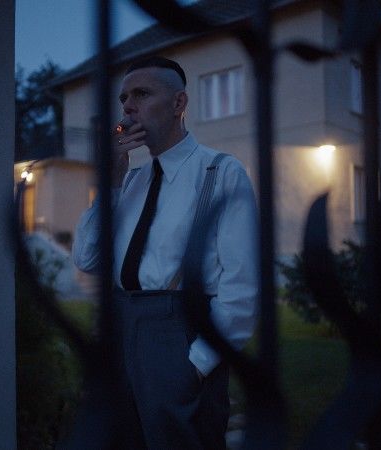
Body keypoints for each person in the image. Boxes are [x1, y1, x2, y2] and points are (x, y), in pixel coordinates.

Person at [72, 56, 259, 449]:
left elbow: (242, 285)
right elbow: (87, 258)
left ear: (178, 103)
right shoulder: (131, 181)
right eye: (124, 98)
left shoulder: (220, 172)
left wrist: (196, 365)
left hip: (180, 334)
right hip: (122, 329)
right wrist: (111, 183)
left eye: (141, 94)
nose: (128, 106)